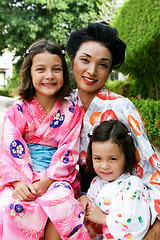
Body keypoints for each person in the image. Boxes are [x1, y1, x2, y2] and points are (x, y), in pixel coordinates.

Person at [65, 22, 160, 239]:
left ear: (109, 70)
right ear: (72, 61)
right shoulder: (63, 104)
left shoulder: (121, 106)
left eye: (102, 65)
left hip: (121, 197)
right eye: (85, 60)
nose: (91, 71)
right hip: (76, 195)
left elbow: (149, 165)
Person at [0, 39, 91, 240]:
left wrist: (46, 181)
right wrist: (18, 183)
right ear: (29, 73)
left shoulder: (73, 111)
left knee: (61, 203)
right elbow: (8, 149)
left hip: (57, 178)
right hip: (21, 176)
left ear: (64, 74)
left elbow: (69, 150)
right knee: (10, 205)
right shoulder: (17, 110)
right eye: (40, 69)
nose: (49, 76)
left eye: (56, 69)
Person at [79, 120, 153, 239]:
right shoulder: (97, 183)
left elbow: (136, 223)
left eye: (112, 159)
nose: (104, 166)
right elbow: (91, 209)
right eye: (98, 158)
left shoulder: (133, 184)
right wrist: (84, 199)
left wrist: (104, 219)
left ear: (126, 157)